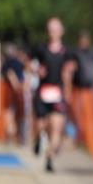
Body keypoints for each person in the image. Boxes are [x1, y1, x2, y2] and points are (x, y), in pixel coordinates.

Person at [31, 17, 73, 172]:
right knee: (41, 125)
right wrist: (36, 70)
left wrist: (68, 92)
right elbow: (29, 63)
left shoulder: (67, 51)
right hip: (43, 92)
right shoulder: (40, 49)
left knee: (56, 127)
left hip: (57, 92)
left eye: (55, 29)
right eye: (50, 29)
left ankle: (49, 156)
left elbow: (68, 73)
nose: (52, 32)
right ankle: (37, 139)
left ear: (61, 31)